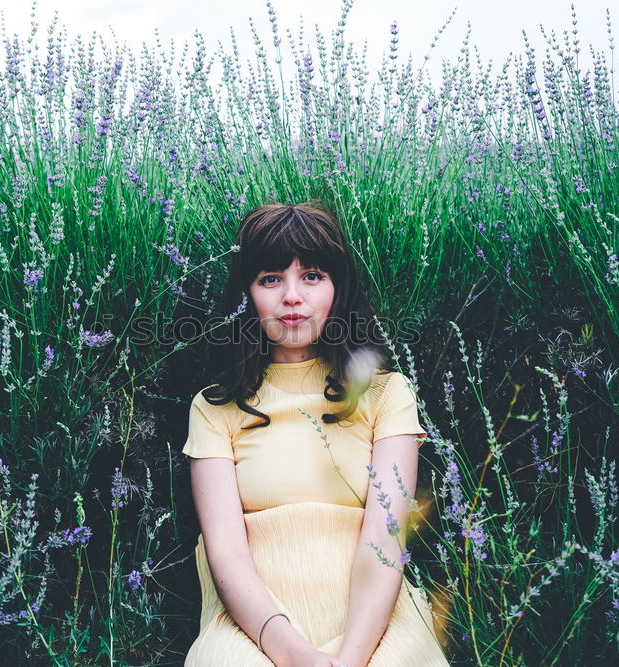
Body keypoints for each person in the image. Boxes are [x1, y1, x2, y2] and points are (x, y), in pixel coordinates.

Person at [182, 202, 450, 666]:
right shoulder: (215, 408)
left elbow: (386, 539)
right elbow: (226, 556)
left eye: (311, 276)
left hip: (375, 624)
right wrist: (293, 654)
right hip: (253, 630)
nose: (291, 296)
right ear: (247, 293)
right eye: (270, 279)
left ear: (337, 288)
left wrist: (349, 659)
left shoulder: (385, 394)